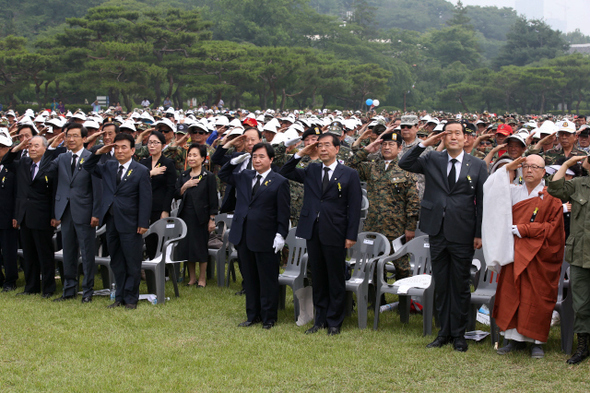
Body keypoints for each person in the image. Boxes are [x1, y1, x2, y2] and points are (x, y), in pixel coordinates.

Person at [398, 120, 488, 352]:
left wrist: (478, 233)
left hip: (463, 232)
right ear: (443, 138)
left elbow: (482, 202)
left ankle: (459, 334)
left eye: (458, 133)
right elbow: (404, 162)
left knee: (459, 285)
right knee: (441, 284)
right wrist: (425, 143)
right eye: (449, 134)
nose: (454, 137)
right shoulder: (432, 159)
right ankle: (443, 332)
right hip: (437, 230)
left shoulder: (477, 165)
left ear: (466, 138)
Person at [281, 133, 362, 336]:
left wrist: (351, 235)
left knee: (334, 277)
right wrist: (302, 152)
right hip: (313, 229)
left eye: (327, 145)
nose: (323, 149)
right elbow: (285, 171)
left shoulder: (349, 173)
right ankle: (320, 320)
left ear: (337, 149)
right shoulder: (312, 169)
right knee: (317, 276)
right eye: (320, 146)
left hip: (335, 230)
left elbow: (354, 207)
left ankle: (335, 321)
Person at [484, 155, 564, 359]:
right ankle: (512, 340)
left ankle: (537, 342)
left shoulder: (551, 197)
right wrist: (506, 170)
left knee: (537, 296)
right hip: (514, 252)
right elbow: (491, 193)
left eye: (534, 167)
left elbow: (554, 228)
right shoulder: (512, 191)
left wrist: (525, 229)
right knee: (513, 294)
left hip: (539, 256)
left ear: (543, 172)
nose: (529, 170)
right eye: (525, 166)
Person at [219, 142, 290, 329]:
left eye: (262, 156)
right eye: (254, 156)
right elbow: (223, 174)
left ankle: (268, 317)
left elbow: (283, 212)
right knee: (249, 279)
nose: (257, 160)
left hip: (266, 237)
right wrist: (234, 162)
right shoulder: (244, 176)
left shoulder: (279, 181)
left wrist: (281, 234)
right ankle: (253, 315)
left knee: (267, 279)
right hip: (243, 236)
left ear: (271, 159)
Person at [83, 133, 152, 309]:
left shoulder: (141, 170)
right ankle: (119, 297)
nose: (119, 151)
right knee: (117, 261)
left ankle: (131, 298)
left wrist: (143, 223)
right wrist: (99, 151)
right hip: (112, 220)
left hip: (131, 222)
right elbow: (88, 166)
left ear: (132, 150)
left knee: (132, 261)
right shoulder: (109, 166)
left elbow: (145, 199)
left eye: (123, 147)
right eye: (116, 147)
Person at [39, 123, 102, 303]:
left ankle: (88, 290)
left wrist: (96, 213)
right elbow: (44, 171)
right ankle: (69, 290)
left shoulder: (91, 158)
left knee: (87, 253)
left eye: (75, 136)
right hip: (65, 212)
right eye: (68, 136)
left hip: (85, 212)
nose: (71, 139)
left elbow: (97, 189)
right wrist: (51, 148)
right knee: (69, 252)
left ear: (84, 139)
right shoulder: (62, 158)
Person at [348, 130, 419, 279]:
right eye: (384, 144)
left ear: (400, 148)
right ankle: (376, 299)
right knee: (372, 265)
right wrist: (366, 150)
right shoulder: (372, 167)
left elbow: (412, 202)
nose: (387, 147)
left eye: (391, 144)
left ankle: (404, 300)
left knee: (402, 266)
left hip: (396, 227)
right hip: (374, 225)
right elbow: (349, 167)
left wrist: (410, 227)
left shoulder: (406, 170)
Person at [547, 154, 590, 364]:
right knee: (581, 303)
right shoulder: (578, 184)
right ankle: (583, 346)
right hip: (581, 255)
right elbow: (554, 189)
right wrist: (566, 164)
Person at [4, 135, 56, 298]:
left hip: (43, 215)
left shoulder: (51, 165)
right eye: (30, 146)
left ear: (44, 148)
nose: (32, 149)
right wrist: (18, 148)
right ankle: (31, 286)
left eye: (36, 146)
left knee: (44, 254)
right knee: (28, 254)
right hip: (24, 215)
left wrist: (55, 215)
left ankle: (48, 288)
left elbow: (54, 193)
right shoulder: (23, 163)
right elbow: (6, 161)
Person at [175, 144, 218, 288]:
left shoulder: (208, 176)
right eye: (190, 155)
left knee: (200, 248)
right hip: (185, 216)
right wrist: (185, 186)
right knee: (187, 247)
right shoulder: (184, 175)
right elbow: (176, 194)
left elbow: (213, 199)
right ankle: (191, 278)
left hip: (201, 217)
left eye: (195, 155)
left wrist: (212, 219)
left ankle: (202, 278)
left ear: (203, 158)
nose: (191, 158)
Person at [139, 131, 177, 258]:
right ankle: (149, 265)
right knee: (147, 237)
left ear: (163, 145)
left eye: (156, 143)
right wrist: (150, 173)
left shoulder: (168, 163)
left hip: (160, 206)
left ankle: (162, 270)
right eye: (150, 142)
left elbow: (170, 188)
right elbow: (137, 181)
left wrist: (165, 210)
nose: (152, 146)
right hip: (144, 205)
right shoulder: (143, 163)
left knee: (159, 237)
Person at [0, 129, 18, 292]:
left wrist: (15, 216)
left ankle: (10, 280)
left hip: (7, 216)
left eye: (2, 147)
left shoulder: (13, 169)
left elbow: (17, 195)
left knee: (8, 251)